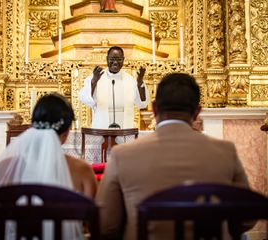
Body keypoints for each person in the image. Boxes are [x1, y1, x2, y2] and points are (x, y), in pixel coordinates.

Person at [96, 72, 250, 240]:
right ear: (197, 112)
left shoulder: (122, 155)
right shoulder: (225, 151)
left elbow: (106, 225)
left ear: (154, 109)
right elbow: (247, 218)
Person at [0, 93, 97, 240]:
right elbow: (90, 223)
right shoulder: (82, 170)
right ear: (66, 133)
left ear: (33, 125)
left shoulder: (4, 167)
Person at [79, 46, 149, 129]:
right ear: (107, 59)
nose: (115, 62)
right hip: (101, 127)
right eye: (112, 59)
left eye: (119, 59)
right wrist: (94, 81)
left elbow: (142, 103)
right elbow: (85, 99)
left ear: (123, 59)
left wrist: (140, 81)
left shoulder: (130, 80)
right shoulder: (96, 77)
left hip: (125, 128)